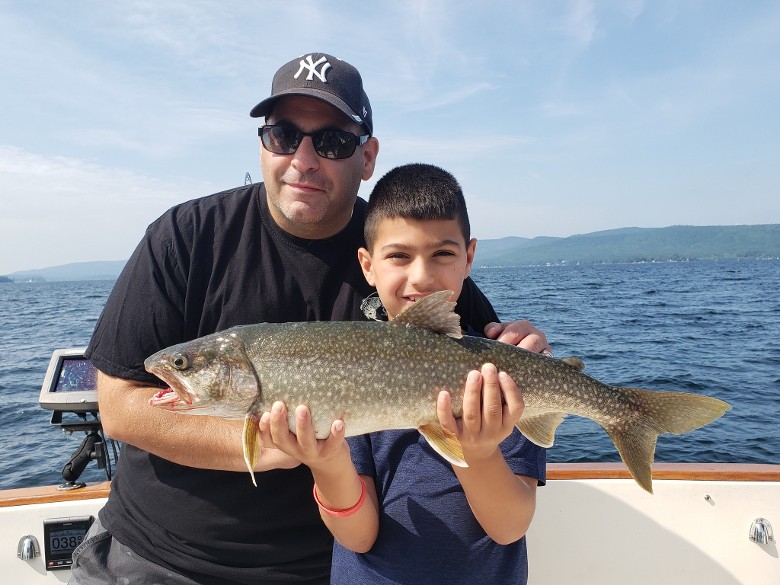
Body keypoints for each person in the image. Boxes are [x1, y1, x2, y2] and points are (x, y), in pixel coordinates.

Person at [70, 53, 550, 585]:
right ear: (262, 144)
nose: (303, 158)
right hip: (155, 557)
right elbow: (118, 408)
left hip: (322, 569)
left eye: (332, 142)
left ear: (367, 157)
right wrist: (270, 446)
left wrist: (521, 341)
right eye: (283, 135)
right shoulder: (186, 236)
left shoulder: (401, 247)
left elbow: (473, 350)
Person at [259, 163, 545, 585]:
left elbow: (509, 527)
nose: (422, 277)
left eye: (442, 254)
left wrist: (479, 454)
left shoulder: (497, 371)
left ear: (469, 258)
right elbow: (358, 537)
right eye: (399, 256)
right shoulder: (347, 371)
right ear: (367, 265)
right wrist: (327, 464)